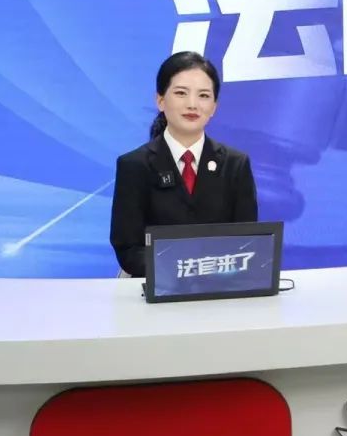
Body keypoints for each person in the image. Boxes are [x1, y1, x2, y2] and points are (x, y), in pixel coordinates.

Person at [110, 51, 258, 277]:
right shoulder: (134, 165)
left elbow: (246, 241)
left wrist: (209, 274)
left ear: (214, 107)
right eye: (181, 93)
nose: (192, 104)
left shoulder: (235, 164)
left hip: (219, 284)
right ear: (160, 100)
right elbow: (128, 248)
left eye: (204, 95)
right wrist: (180, 274)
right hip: (154, 284)